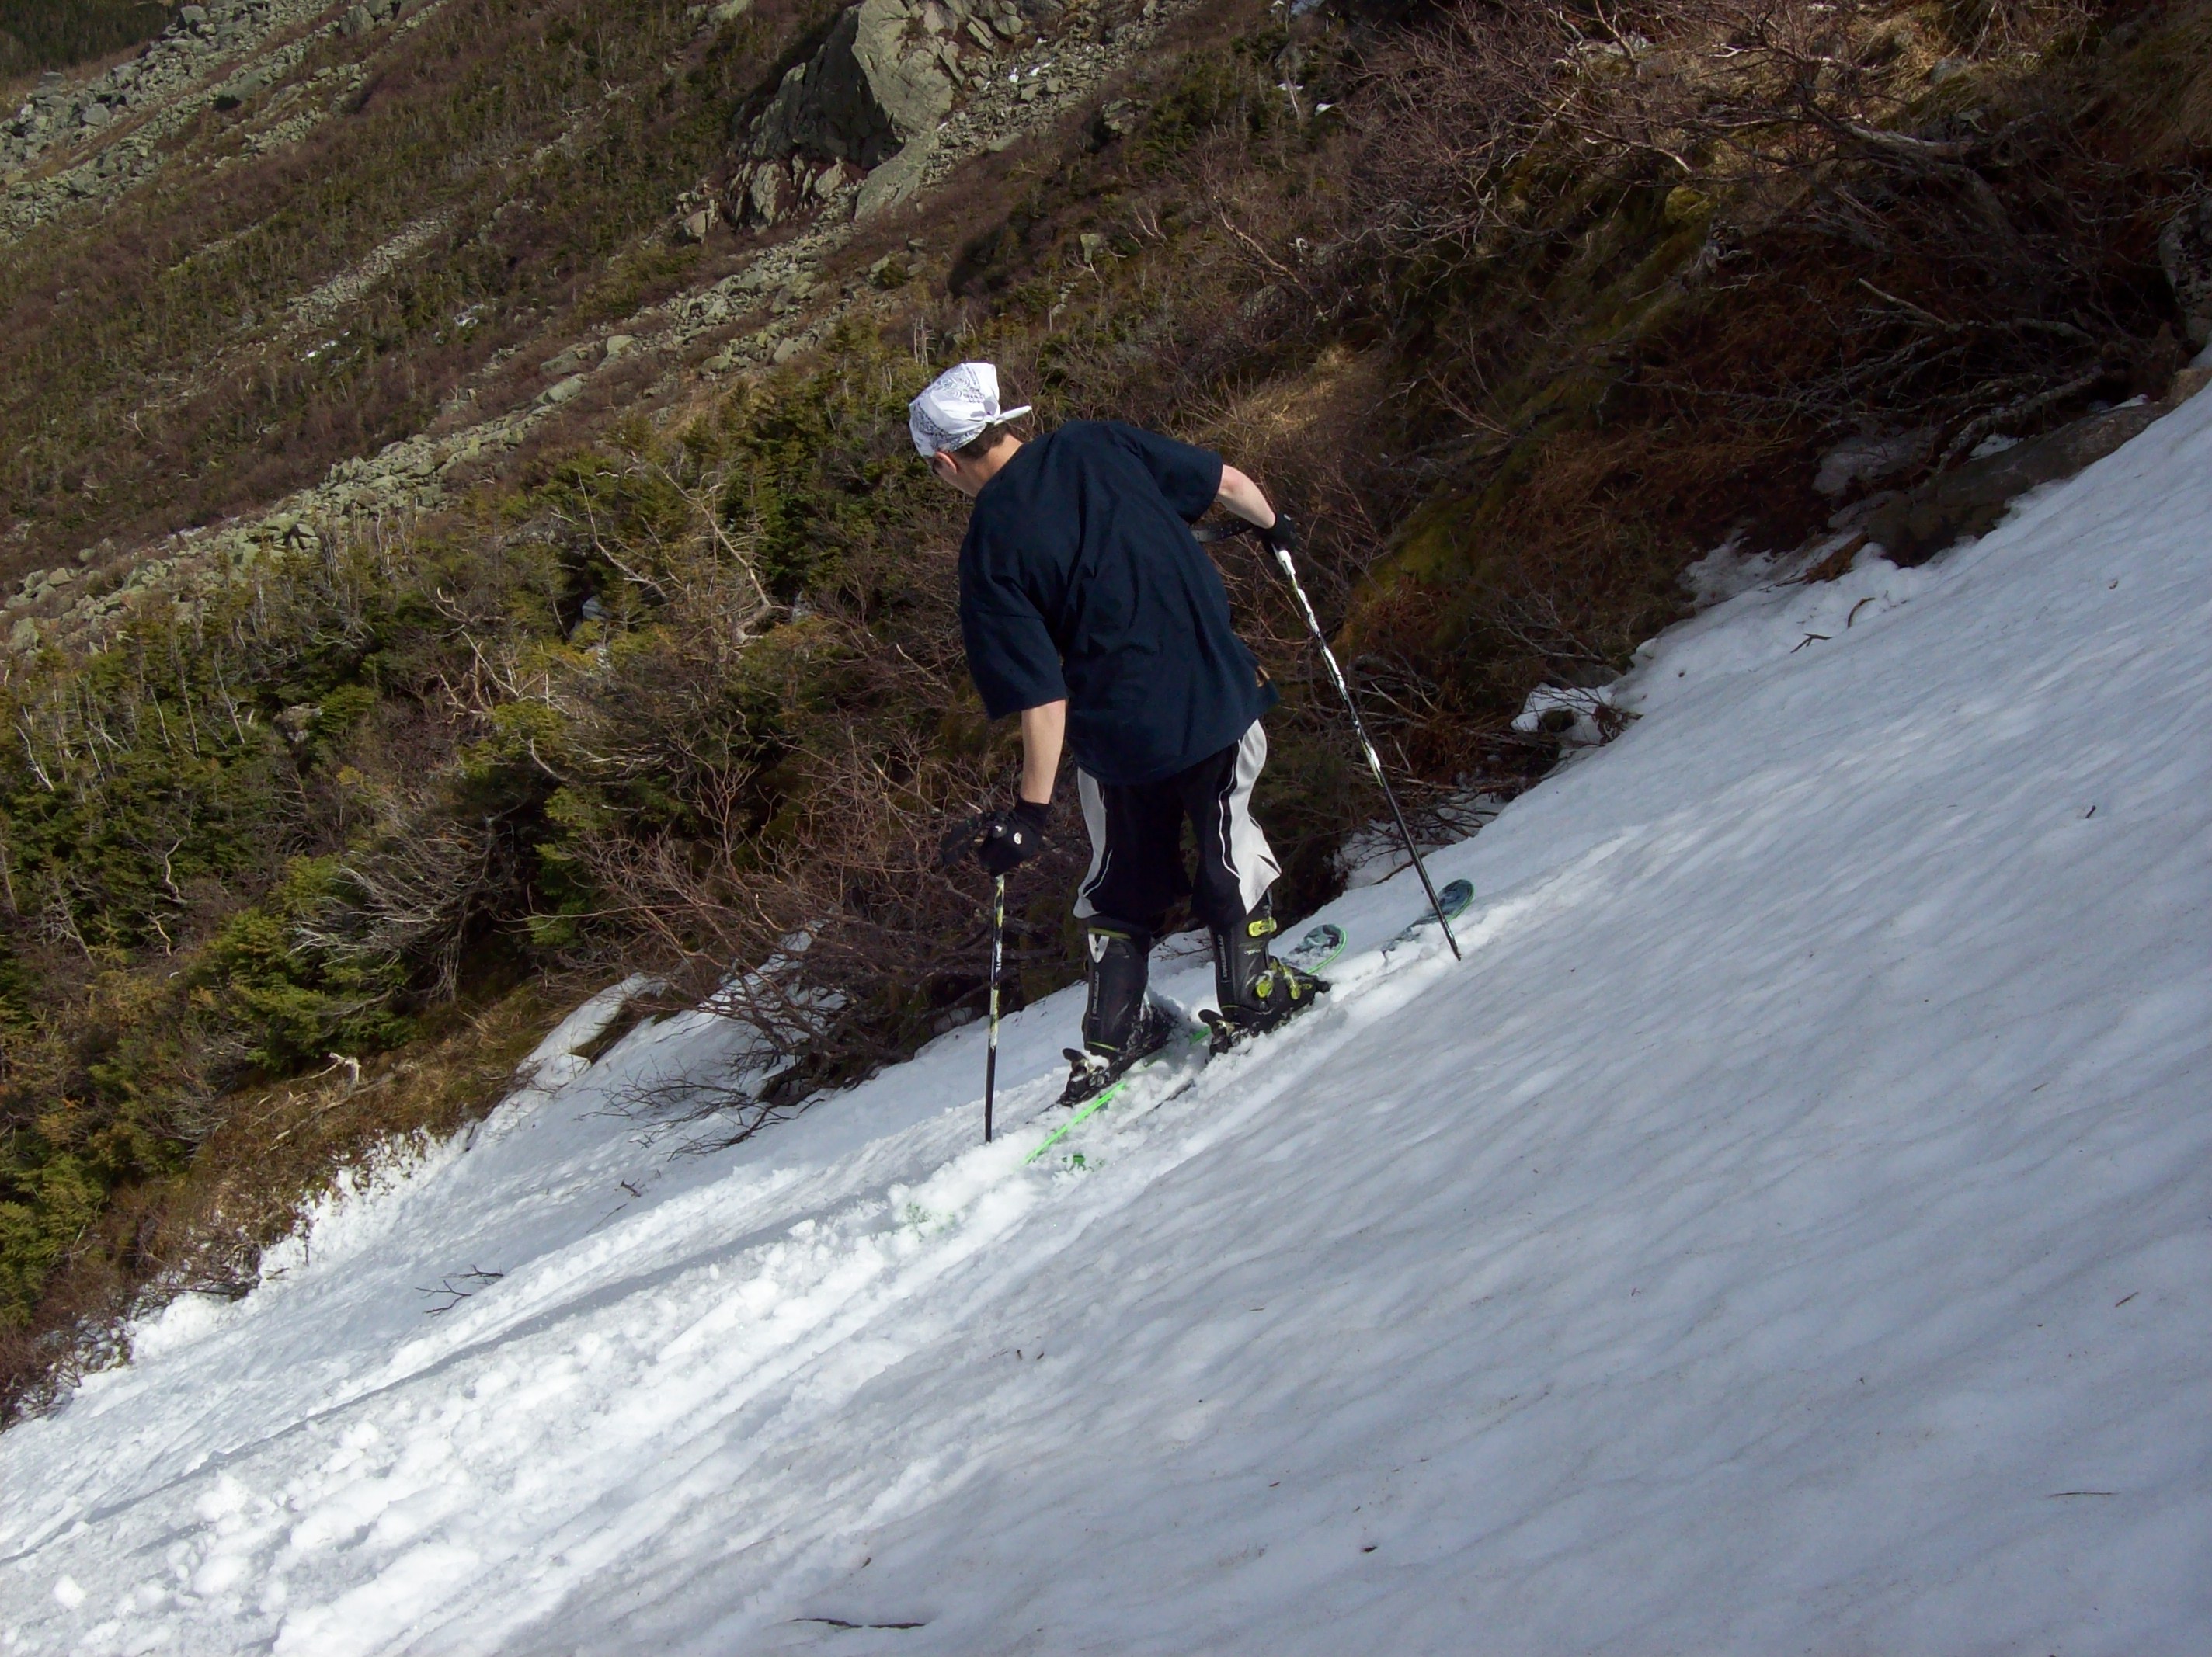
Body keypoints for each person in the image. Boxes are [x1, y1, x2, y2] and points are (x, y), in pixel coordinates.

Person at [911, 360, 1327, 1104]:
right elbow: (1228, 484)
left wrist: (1031, 816)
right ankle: (1253, 989)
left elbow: (1042, 698)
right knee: (1227, 832)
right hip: (1213, 694)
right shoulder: (1099, 442)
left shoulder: (988, 549)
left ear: (946, 461)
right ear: (1010, 419)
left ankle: (1115, 1032)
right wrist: (1275, 529)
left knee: (1119, 874)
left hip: (1116, 740)